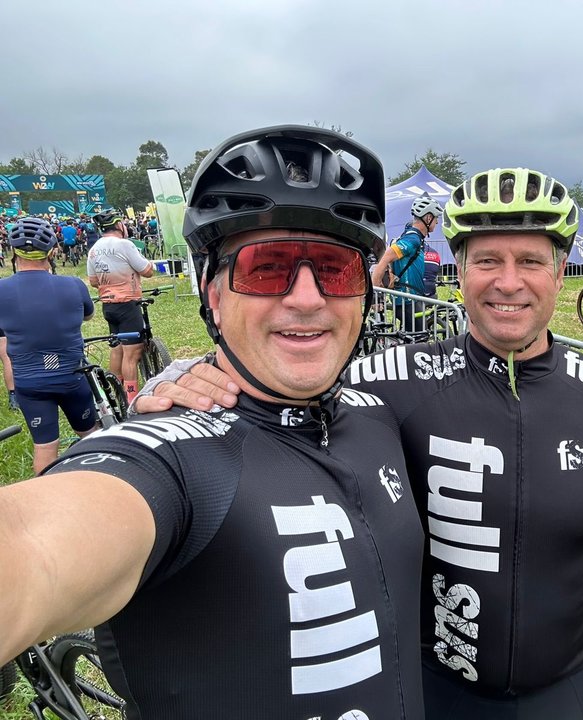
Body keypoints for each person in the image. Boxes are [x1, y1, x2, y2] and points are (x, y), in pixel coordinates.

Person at [137, 168, 583, 720]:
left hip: (570, 691)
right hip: (430, 690)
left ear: (561, 271)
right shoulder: (387, 383)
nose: (508, 282)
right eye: (487, 261)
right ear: (459, 270)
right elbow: (276, 391)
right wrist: (187, 378)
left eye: (530, 261)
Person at [0, 126, 426, 720]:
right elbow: (36, 545)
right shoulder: (171, 457)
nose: (307, 299)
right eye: (266, 267)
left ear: (363, 296)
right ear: (213, 294)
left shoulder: (380, 414)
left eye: (336, 270)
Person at [0, 217, 97, 473]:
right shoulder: (73, 284)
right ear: (52, 251)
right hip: (72, 376)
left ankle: (45, 494)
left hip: (29, 382)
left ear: (13, 252)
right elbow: (88, 315)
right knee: (91, 438)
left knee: (44, 447)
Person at [87, 208, 155, 403]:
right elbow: (147, 271)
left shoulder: (93, 249)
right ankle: (131, 398)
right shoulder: (124, 245)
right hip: (127, 303)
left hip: (108, 305)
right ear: (119, 225)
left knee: (117, 348)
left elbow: (93, 281)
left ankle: (115, 395)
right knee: (132, 354)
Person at [371, 194, 443, 330]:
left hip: (411, 301)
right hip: (408, 302)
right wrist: (375, 297)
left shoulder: (414, 237)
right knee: (420, 339)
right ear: (428, 218)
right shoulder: (412, 240)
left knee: (413, 338)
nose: (437, 222)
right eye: (436, 218)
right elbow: (385, 259)